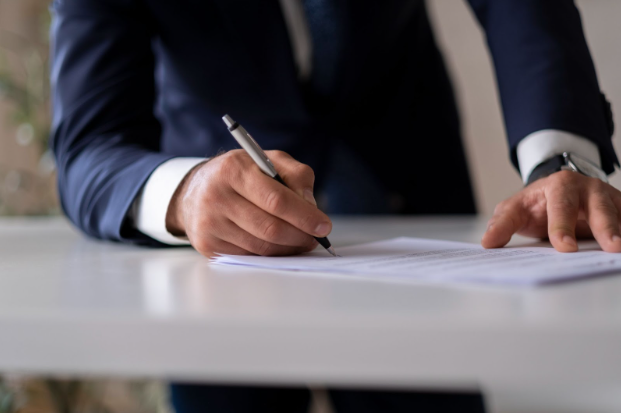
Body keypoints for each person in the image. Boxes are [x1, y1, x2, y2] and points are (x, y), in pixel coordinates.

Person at [50, 0, 619, 411]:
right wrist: (185, 192)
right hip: (220, 257)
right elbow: (89, 149)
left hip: (412, 180)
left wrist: (559, 158)